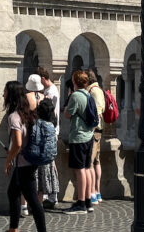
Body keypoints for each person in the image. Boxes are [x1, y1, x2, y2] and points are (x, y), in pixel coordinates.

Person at [3, 80, 47, 232]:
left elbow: (18, 144)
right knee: (13, 192)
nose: (3, 94)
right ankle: (13, 228)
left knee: (33, 201)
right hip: (30, 160)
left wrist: (8, 161)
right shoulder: (29, 113)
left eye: (5, 92)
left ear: (11, 95)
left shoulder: (14, 116)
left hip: (23, 163)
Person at [63, 70, 94, 214]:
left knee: (79, 169)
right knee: (87, 168)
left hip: (78, 136)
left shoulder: (75, 96)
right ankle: (88, 200)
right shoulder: (88, 94)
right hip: (89, 136)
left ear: (75, 81)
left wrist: (69, 99)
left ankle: (81, 203)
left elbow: (68, 114)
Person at [20, 74, 45, 217]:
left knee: (26, 173)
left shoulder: (25, 98)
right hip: (41, 138)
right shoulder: (44, 98)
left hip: (28, 136)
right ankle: (39, 204)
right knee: (39, 173)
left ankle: (24, 205)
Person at [37, 66, 61, 209]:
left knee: (50, 164)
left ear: (43, 79)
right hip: (52, 129)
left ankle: (51, 195)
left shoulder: (50, 92)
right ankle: (52, 195)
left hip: (50, 130)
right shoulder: (49, 90)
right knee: (50, 164)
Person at [85, 69, 106, 206]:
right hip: (97, 129)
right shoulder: (95, 90)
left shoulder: (94, 91)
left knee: (91, 161)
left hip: (95, 130)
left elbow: (98, 110)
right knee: (96, 161)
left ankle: (93, 192)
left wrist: (91, 128)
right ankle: (97, 192)